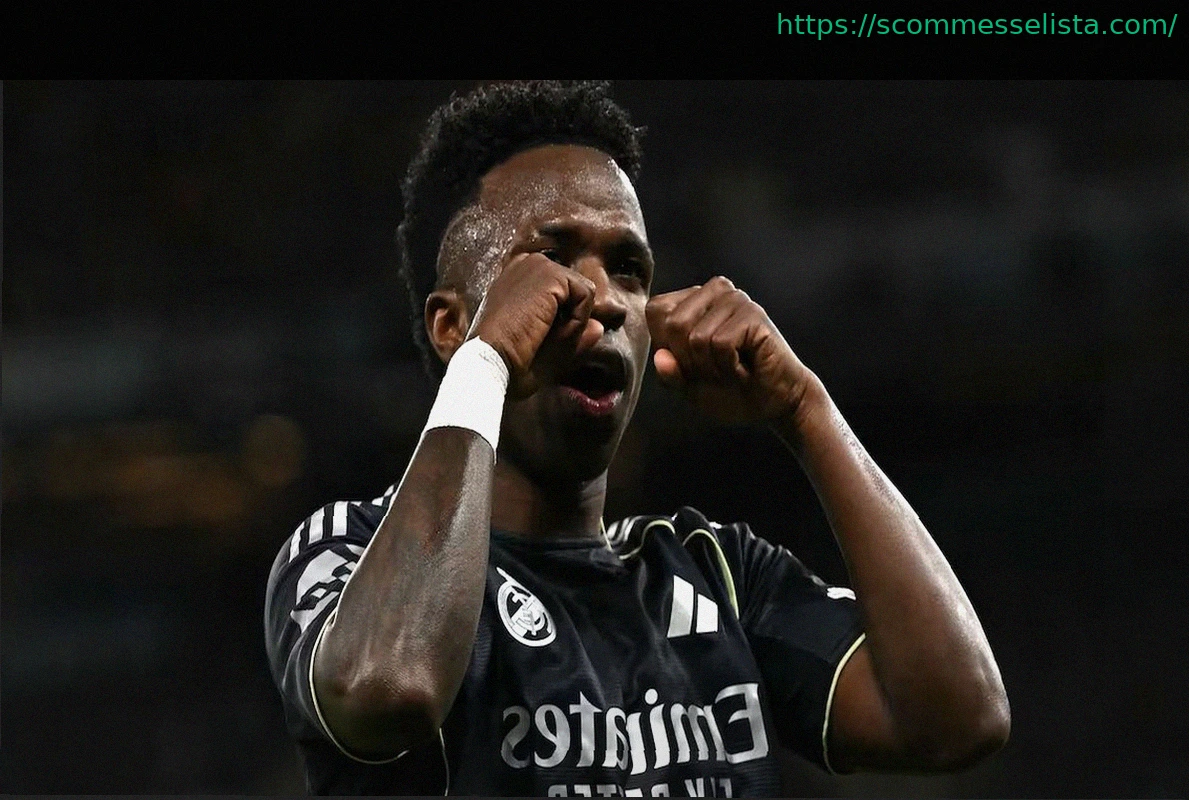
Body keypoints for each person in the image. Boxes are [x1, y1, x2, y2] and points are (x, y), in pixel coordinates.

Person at [264, 81, 1010, 797]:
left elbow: (957, 718)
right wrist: (485, 362)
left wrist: (804, 409)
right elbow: (389, 688)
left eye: (628, 268)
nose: (605, 299)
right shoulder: (345, 551)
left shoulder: (716, 576)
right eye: (553, 258)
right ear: (451, 324)